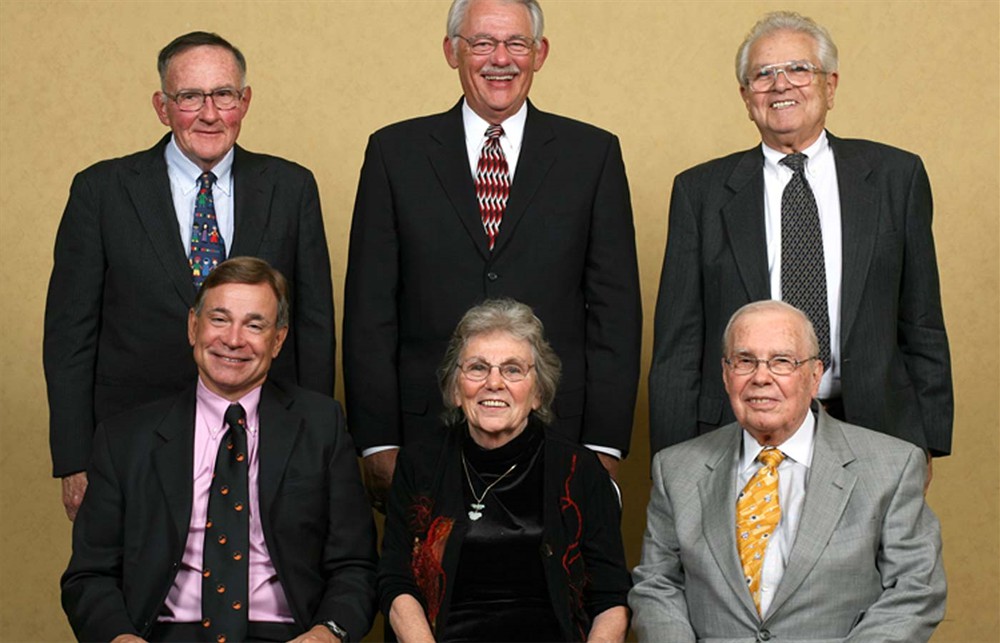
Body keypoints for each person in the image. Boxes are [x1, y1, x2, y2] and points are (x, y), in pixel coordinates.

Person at [344, 0, 641, 508]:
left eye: (516, 43)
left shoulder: (592, 155)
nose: (499, 58)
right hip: (425, 435)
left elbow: (615, 313)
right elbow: (370, 310)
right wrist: (377, 440)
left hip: (558, 434)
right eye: (482, 43)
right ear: (452, 51)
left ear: (539, 53)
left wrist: (604, 444)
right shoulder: (395, 154)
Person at [45, 31, 335, 521]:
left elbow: (314, 326)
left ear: (244, 101)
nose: (209, 113)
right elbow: (70, 335)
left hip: (263, 440)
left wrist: (317, 445)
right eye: (189, 97)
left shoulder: (290, 188)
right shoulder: (102, 191)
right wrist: (75, 460)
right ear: (162, 106)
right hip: (131, 446)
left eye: (223, 95)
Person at [647, 11, 952, 468]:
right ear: (746, 96)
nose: (781, 85)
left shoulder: (896, 177)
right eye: (764, 74)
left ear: (830, 85)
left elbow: (922, 320)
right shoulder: (700, 192)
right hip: (738, 430)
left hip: (876, 428)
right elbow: (678, 343)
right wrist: (672, 458)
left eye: (798, 69)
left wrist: (925, 441)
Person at [61, 257, 375, 643]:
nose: (233, 339)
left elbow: (356, 566)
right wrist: (120, 639)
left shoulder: (321, 427)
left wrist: (326, 634)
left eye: (255, 325)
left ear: (278, 340)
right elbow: (89, 576)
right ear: (194, 326)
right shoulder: (124, 438)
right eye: (220, 319)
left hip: (287, 635)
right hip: (161, 635)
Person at [630, 300, 945, 641]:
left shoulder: (891, 466)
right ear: (725, 374)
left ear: (814, 376)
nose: (760, 378)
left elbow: (915, 591)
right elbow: (656, 585)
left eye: (782, 362)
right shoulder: (676, 469)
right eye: (744, 361)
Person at [378, 299, 631, 642]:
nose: (494, 383)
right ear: (455, 388)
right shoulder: (418, 464)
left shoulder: (579, 469)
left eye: (512, 369)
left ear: (539, 391)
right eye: (477, 368)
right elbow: (397, 582)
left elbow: (611, 599)